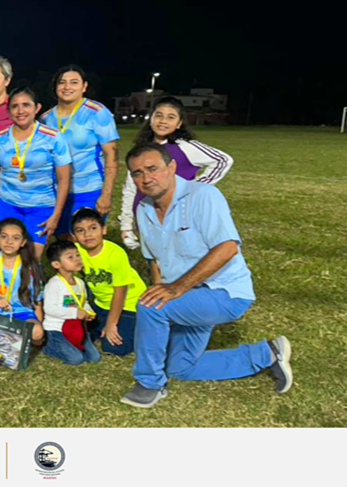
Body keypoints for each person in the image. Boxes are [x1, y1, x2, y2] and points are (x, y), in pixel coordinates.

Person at [120, 143, 292, 408]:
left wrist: (175, 290)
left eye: (152, 169)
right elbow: (153, 258)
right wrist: (161, 289)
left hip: (224, 293)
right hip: (189, 294)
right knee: (180, 368)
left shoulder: (203, 196)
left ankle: (149, 383)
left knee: (150, 307)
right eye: (137, 173)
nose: (146, 178)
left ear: (172, 167)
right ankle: (266, 353)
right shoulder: (143, 209)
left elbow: (227, 248)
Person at [118, 96, 234, 250]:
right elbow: (130, 188)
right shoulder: (141, 150)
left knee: (180, 260)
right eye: (158, 115)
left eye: (170, 117)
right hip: (145, 213)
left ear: (179, 123)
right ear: (151, 118)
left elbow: (223, 160)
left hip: (177, 216)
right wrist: (126, 226)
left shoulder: (185, 147)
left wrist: (194, 188)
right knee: (155, 261)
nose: (163, 121)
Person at [0, 88, 73, 260]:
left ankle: (33, 287)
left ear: (37, 108)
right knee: (7, 256)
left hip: (41, 206)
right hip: (7, 204)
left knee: (31, 259)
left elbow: (64, 179)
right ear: (9, 110)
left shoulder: (53, 138)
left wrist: (56, 216)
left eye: (26, 105)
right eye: (15, 106)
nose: (20, 111)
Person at [38, 65, 119, 238]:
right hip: (58, 191)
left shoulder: (97, 112)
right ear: (55, 86)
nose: (67, 87)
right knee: (64, 241)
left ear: (84, 86)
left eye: (74, 82)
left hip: (89, 187)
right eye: (62, 82)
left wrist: (106, 194)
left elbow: (112, 155)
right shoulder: (45, 118)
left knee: (87, 240)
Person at [69, 208, 143, 356]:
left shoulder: (115, 254)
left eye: (93, 228)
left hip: (129, 304)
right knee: (76, 335)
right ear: (74, 236)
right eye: (80, 231)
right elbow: (68, 282)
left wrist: (111, 324)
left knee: (114, 347)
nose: (87, 234)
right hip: (101, 304)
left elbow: (120, 291)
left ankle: (144, 328)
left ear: (104, 230)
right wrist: (73, 308)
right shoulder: (76, 252)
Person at [0, 218, 46, 347]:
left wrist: (39, 324)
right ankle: (11, 336)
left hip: (22, 312)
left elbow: (37, 301)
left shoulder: (30, 266)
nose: (9, 242)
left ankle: (11, 335)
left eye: (15, 238)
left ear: (23, 242)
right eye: (4, 237)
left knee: (36, 333)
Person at [41, 240, 101, 365]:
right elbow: (49, 309)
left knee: (94, 358)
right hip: (57, 329)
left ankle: (76, 344)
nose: (77, 259)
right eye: (70, 257)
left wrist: (89, 312)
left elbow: (83, 302)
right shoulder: (54, 284)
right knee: (75, 359)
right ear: (56, 264)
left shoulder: (80, 282)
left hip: (76, 328)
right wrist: (75, 313)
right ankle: (47, 345)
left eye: (78, 255)